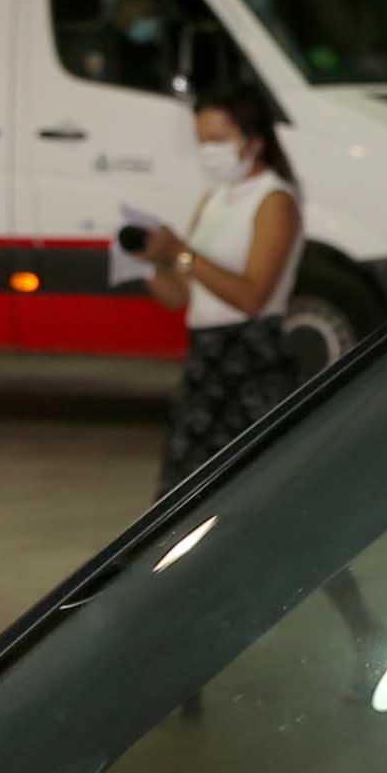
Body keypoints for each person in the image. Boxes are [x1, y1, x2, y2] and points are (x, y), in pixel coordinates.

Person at [139, 72, 309, 493]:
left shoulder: (274, 201)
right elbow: (178, 297)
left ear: (253, 141)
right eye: (202, 141)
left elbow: (252, 296)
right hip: (205, 364)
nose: (208, 152)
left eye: (218, 140)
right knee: (185, 495)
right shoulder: (212, 199)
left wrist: (182, 254)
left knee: (251, 489)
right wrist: (153, 262)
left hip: (249, 359)